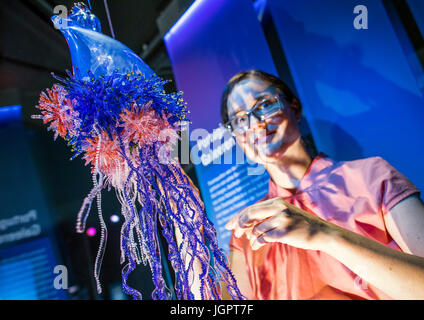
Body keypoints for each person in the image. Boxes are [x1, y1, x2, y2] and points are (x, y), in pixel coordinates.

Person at [220, 69, 424, 300]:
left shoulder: (371, 176)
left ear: (294, 108)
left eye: (265, 105)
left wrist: (324, 234)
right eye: (239, 119)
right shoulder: (247, 228)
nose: (255, 124)